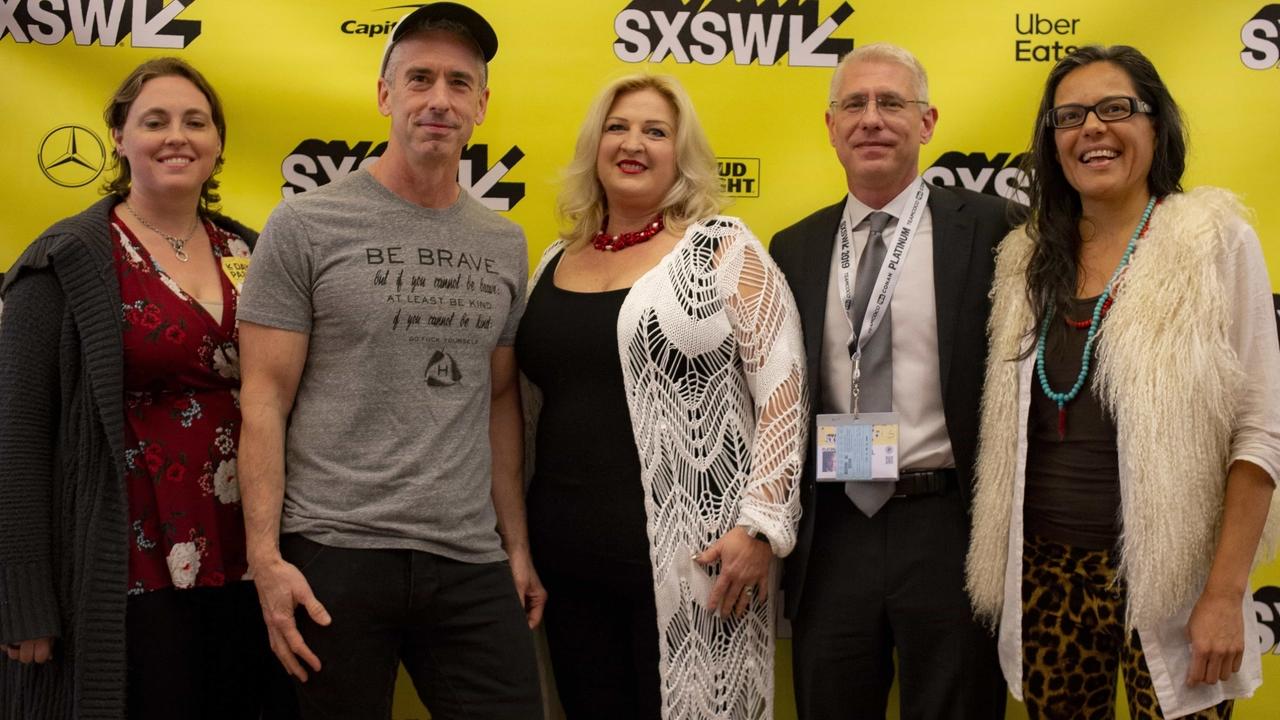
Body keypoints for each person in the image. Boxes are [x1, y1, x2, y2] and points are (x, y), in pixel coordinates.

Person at [236, 3, 543, 718]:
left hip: (468, 556)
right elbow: (263, 398)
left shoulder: (504, 243)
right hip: (334, 550)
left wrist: (516, 546)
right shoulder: (305, 224)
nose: (439, 99)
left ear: (481, 106)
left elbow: (500, 400)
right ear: (384, 94)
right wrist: (266, 559)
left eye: (459, 83)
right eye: (419, 79)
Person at [966, 44, 1280, 719]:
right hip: (1046, 573)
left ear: (1155, 125)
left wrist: (1225, 594)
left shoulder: (1213, 242)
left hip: (1175, 578)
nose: (1092, 129)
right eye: (1070, 116)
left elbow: (1260, 431)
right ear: (1053, 143)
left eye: (1115, 109)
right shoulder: (1025, 257)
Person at [0, 58, 286, 719]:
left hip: (250, 553)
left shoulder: (253, 251)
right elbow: (17, 434)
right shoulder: (64, 258)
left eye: (195, 122)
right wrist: (22, 597)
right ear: (120, 139)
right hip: (129, 560)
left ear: (218, 142)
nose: (176, 137)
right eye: (154, 121)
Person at [515, 73, 807, 719]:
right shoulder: (553, 261)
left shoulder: (722, 251)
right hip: (565, 561)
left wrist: (760, 527)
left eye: (656, 131)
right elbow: (524, 405)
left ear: (681, 153)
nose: (633, 143)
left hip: (696, 562)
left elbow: (784, 390)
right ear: (594, 145)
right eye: (617, 127)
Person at [769, 42, 1013, 719]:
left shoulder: (992, 229)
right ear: (831, 127)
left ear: (927, 122)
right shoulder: (794, 246)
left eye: (891, 103)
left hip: (948, 525)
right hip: (833, 528)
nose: (871, 119)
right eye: (854, 104)